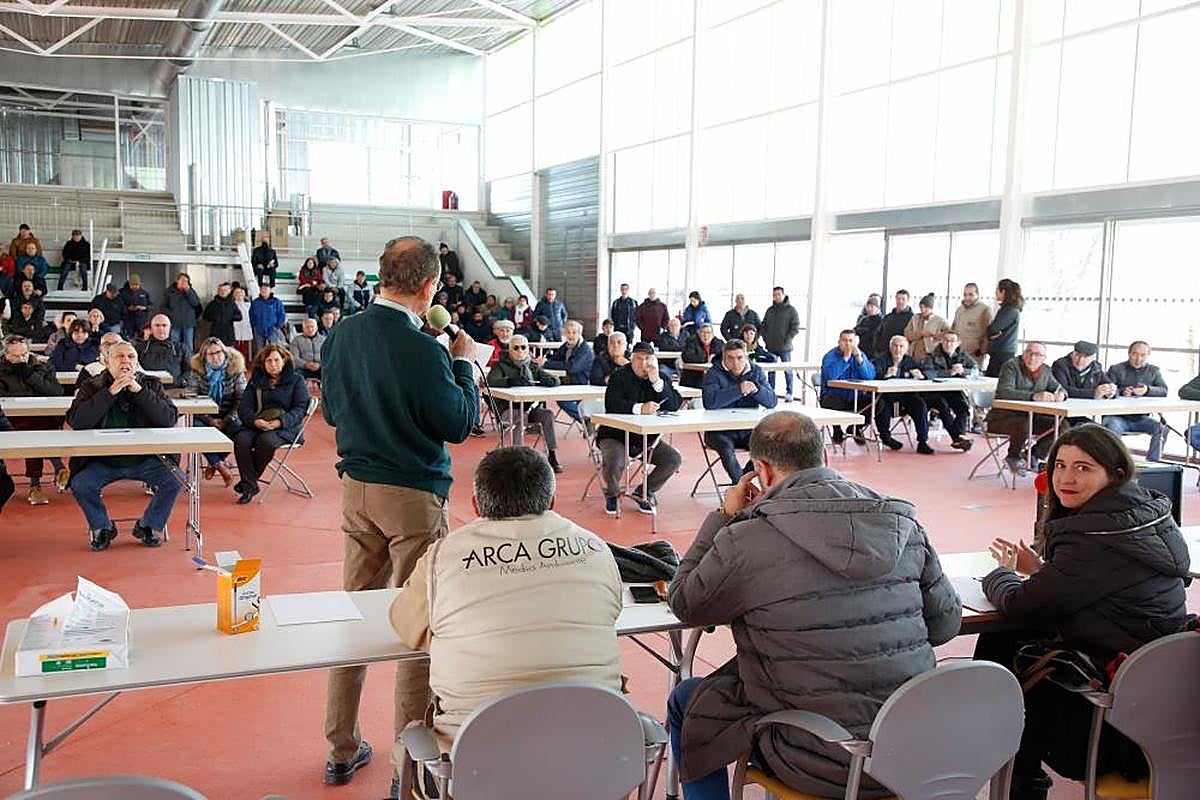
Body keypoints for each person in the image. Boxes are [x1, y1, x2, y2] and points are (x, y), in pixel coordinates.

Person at [667, 411, 961, 800]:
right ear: (823, 458)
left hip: (819, 756)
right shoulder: (899, 522)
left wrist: (723, 516)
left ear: (762, 471)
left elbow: (686, 603)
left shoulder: (746, 537)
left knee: (689, 699)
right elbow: (945, 626)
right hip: (915, 747)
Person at [320, 236, 478, 796]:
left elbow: (333, 411)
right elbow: (458, 424)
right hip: (411, 495)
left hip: (355, 490)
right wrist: (462, 365)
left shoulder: (340, 334)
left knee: (354, 617)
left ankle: (340, 746)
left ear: (381, 276)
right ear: (430, 286)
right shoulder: (427, 349)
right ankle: (405, 768)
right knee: (418, 625)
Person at [977, 424, 1189, 800]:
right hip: (1162, 702)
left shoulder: (1090, 537)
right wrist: (1046, 573)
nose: (1065, 478)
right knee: (1013, 643)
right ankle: (1018, 780)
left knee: (1001, 644)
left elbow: (1019, 604)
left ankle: (1019, 783)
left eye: (1083, 468)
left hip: (1112, 722)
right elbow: (1097, 584)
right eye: (1059, 465)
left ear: (1115, 473)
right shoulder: (1148, 515)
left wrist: (999, 575)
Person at [388, 446, 621, 756]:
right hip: (596, 762)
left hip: (479, 767)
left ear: (475, 506)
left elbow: (406, 625)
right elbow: (611, 612)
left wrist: (464, 639)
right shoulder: (596, 549)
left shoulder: (444, 558)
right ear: (551, 502)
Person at [66, 341, 181, 550]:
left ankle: (149, 525)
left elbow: (168, 418)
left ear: (137, 363)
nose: (126, 361)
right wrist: (110, 392)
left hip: (146, 458)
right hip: (102, 460)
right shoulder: (91, 386)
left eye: (131, 357)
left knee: (174, 481)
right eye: (120, 357)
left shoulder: (151, 384)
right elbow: (77, 421)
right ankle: (102, 527)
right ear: (107, 362)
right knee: (81, 484)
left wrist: (139, 391)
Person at [597, 341, 683, 515]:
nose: (644, 364)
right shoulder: (619, 376)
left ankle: (644, 491)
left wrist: (657, 382)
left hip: (645, 438)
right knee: (615, 461)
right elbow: (612, 405)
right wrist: (640, 408)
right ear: (631, 359)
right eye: (639, 359)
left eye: (648, 359)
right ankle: (612, 494)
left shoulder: (659, 377)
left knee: (673, 459)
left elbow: (675, 404)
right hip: (615, 434)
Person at [232, 344, 309, 504]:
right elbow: (244, 407)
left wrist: (279, 422)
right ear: (263, 363)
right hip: (258, 422)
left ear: (284, 360)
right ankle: (251, 484)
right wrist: (255, 421)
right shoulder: (256, 381)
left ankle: (248, 484)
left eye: (276, 360)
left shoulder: (297, 380)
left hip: (286, 427)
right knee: (241, 439)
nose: (273, 364)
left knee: (265, 441)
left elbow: (300, 409)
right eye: (269, 361)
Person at [0, 334, 67, 504]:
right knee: (34, 430)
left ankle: (36, 485)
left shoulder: (42, 366)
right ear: (5, 355)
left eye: (24, 354)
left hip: (40, 415)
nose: (21, 359)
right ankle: (51, 472)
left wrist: (30, 375)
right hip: (10, 418)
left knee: (38, 428)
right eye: (15, 356)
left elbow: (56, 392)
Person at [701, 340, 777, 483]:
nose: (736, 363)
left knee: (768, 445)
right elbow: (709, 403)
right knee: (726, 449)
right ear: (724, 358)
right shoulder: (713, 373)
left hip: (747, 429)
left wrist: (757, 390)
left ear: (746, 357)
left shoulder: (756, 371)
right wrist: (739, 390)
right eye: (730, 358)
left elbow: (772, 401)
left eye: (740, 358)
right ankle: (741, 487)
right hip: (719, 430)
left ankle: (742, 481)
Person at [986, 342, 1066, 474]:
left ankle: (1033, 454)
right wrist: (1034, 396)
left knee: (1062, 425)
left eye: (1037, 354)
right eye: (1029, 352)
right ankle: (1013, 456)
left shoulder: (1045, 370)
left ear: (1043, 358)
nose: (1032, 357)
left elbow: (1058, 387)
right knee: (1023, 424)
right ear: (1023, 353)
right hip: (1003, 418)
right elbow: (1004, 392)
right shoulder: (1011, 366)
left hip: (1032, 417)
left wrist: (1061, 395)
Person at [487, 334, 564, 472]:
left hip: (530, 409)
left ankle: (552, 454)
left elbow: (554, 379)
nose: (520, 351)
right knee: (519, 417)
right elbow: (491, 381)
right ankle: (518, 457)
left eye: (523, 347)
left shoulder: (532, 366)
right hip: (507, 410)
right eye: (516, 348)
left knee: (548, 415)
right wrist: (510, 382)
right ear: (509, 350)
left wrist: (551, 381)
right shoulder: (500, 366)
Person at [185, 337, 245, 487]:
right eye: (210, 354)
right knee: (196, 429)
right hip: (204, 416)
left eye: (218, 352)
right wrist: (210, 420)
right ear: (204, 357)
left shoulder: (236, 369)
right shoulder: (196, 371)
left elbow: (242, 399)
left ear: (225, 353)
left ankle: (213, 463)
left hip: (229, 415)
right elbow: (191, 398)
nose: (216, 356)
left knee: (239, 430)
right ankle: (220, 466)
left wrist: (226, 419)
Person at [1101, 341, 1168, 461]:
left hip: (1140, 417)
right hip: (1116, 417)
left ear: (1148, 355)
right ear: (1129, 353)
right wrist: (1121, 392)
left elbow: (1163, 390)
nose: (1138, 358)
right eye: (1135, 354)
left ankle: (1153, 464)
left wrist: (1147, 390)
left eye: (1143, 355)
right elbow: (1106, 389)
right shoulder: (1116, 369)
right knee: (1112, 427)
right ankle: (1114, 463)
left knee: (1162, 427)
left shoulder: (1153, 371)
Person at [872, 335, 935, 454]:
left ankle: (922, 441)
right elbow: (871, 375)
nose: (898, 349)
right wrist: (885, 375)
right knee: (882, 407)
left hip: (906, 396)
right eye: (895, 346)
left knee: (920, 404)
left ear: (906, 349)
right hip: (886, 396)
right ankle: (886, 438)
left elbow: (931, 371)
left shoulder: (909, 360)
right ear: (890, 347)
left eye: (901, 346)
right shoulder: (881, 360)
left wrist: (922, 375)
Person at [818, 330, 876, 445]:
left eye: (851, 341)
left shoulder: (860, 354)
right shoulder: (830, 356)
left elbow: (869, 376)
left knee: (878, 404)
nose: (848, 344)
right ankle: (837, 429)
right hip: (835, 395)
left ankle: (855, 427)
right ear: (839, 342)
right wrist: (845, 359)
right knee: (830, 402)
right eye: (844, 340)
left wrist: (859, 358)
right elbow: (830, 377)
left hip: (855, 396)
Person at [924, 330, 977, 451]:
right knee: (944, 407)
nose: (948, 344)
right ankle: (958, 438)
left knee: (963, 407)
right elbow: (928, 372)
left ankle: (959, 438)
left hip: (953, 390)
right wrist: (949, 373)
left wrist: (964, 371)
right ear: (941, 341)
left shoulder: (962, 355)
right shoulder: (932, 354)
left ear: (958, 343)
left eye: (952, 341)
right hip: (934, 392)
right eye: (946, 340)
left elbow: (975, 369)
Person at [542, 319, 593, 424]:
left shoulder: (584, 349)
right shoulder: (566, 346)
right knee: (544, 389)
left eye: (574, 332)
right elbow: (555, 358)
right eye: (568, 332)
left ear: (579, 333)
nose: (571, 335)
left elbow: (572, 367)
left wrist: (546, 363)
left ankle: (586, 420)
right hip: (567, 382)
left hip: (581, 384)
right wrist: (544, 360)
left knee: (561, 400)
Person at [761, 286, 801, 401]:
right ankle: (771, 391)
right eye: (774, 295)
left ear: (783, 295)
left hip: (785, 346)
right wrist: (766, 338)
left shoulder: (791, 310)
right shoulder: (770, 310)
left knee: (787, 369)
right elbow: (763, 326)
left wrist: (788, 338)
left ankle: (789, 392)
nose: (776, 297)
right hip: (771, 345)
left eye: (778, 294)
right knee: (771, 370)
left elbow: (795, 326)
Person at [985, 278, 1022, 378]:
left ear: (1003, 291)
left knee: (994, 381)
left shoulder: (1010, 310)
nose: (995, 293)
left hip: (1002, 354)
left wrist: (990, 333)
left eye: (997, 290)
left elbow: (992, 329)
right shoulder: (1007, 309)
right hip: (1001, 352)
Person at [134, 314, 188, 383]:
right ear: (151, 328)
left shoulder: (181, 348)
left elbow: (188, 370)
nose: (161, 328)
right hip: (147, 388)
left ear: (170, 327)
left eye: (164, 325)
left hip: (174, 387)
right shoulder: (140, 347)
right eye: (157, 325)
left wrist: (180, 381)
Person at [951, 282, 992, 368]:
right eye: (965, 294)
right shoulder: (959, 310)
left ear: (977, 294)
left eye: (971, 294)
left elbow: (988, 333)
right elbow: (953, 330)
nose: (967, 297)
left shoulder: (985, 310)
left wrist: (982, 351)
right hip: (958, 353)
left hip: (974, 355)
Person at [164, 273, 203, 353]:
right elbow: (163, 307)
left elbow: (196, 303)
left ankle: (189, 362)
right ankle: (175, 360)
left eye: (186, 281)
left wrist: (188, 291)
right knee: (174, 343)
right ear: (177, 281)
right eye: (182, 280)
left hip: (188, 323)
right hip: (174, 323)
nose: (184, 283)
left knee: (188, 344)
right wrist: (171, 316)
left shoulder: (191, 291)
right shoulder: (170, 291)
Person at [903, 293, 947, 362]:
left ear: (931, 308)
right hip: (913, 353)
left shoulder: (939, 320)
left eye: (925, 308)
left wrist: (935, 336)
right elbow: (907, 334)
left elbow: (949, 334)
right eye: (921, 307)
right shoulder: (915, 318)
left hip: (930, 355)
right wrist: (920, 334)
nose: (922, 310)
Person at [681, 323, 724, 389]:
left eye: (708, 333)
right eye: (703, 332)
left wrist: (713, 358)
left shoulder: (719, 343)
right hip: (694, 375)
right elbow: (687, 357)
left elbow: (722, 357)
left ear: (712, 335)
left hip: (713, 375)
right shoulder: (691, 341)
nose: (706, 335)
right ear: (699, 333)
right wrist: (707, 358)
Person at [877, 289, 914, 360]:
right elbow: (878, 333)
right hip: (884, 354)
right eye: (898, 299)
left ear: (908, 300)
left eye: (903, 299)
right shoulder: (888, 317)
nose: (900, 301)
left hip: (901, 356)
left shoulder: (912, 318)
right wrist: (877, 349)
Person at [202, 282, 241, 347]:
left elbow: (239, 316)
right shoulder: (212, 304)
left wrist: (230, 317)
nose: (223, 292)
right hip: (216, 334)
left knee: (229, 354)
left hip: (228, 334)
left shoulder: (232, 304)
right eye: (221, 290)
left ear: (229, 291)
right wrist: (215, 317)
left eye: (225, 290)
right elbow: (205, 316)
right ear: (218, 291)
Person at [250, 283, 287, 351]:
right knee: (260, 350)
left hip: (273, 329)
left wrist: (277, 326)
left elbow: (281, 315)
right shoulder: (255, 302)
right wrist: (255, 325)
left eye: (266, 289)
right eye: (262, 289)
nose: (264, 290)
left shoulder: (277, 302)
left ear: (270, 290)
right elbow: (251, 315)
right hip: (259, 330)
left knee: (274, 349)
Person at [119, 274, 151, 340]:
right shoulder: (122, 293)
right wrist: (128, 309)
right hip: (128, 321)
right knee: (128, 339)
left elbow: (151, 305)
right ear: (129, 284)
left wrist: (144, 308)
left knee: (142, 339)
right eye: (133, 285)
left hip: (142, 321)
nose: (135, 287)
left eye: (137, 285)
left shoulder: (144, 293)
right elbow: (119, 306)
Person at [231, 285, 253, 360]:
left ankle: (244, 365)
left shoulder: (249, 305)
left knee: (245, 349)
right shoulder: (232, 305)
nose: (239, 296)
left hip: (246, 329)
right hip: (235, 330)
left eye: (240, 293)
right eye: (237, 294)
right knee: (235, 350)